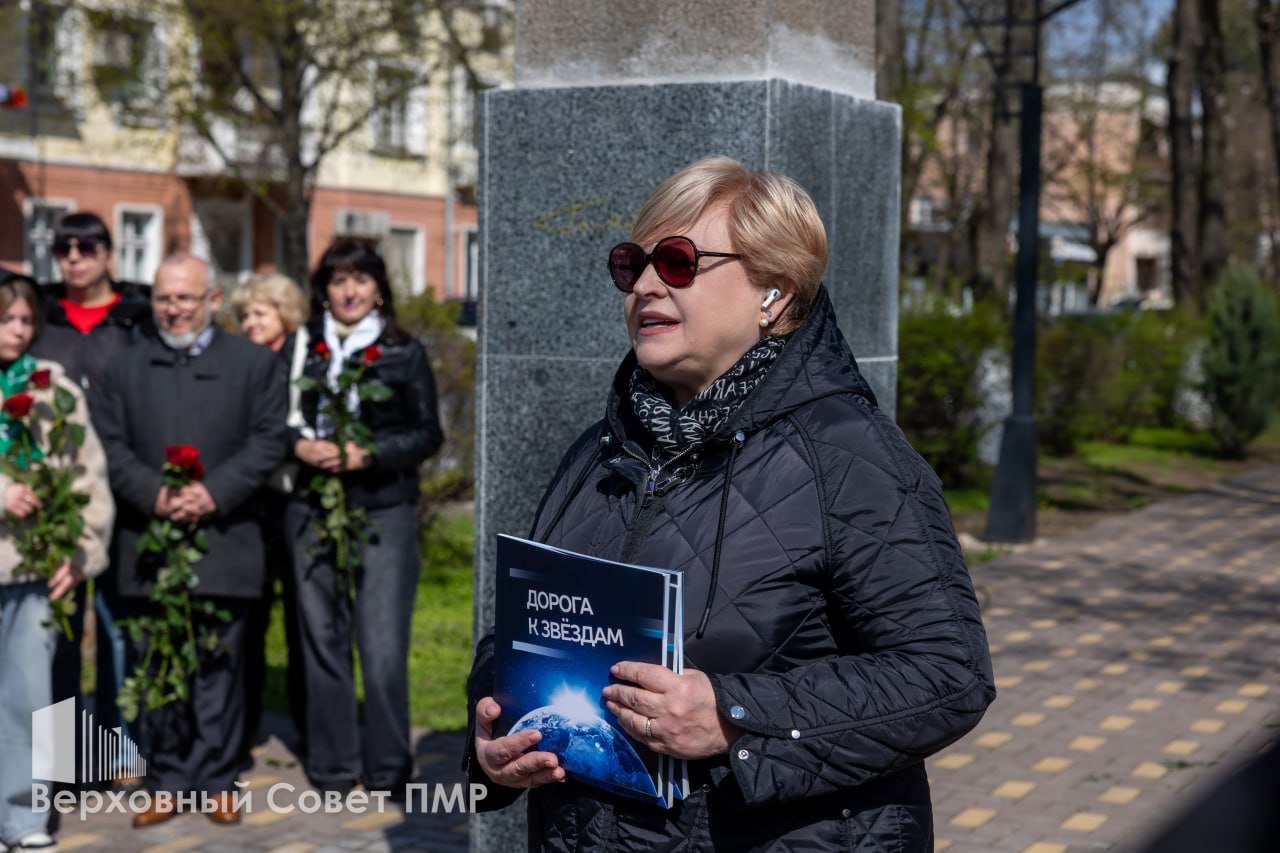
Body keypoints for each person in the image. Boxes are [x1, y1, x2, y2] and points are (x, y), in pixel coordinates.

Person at [465, 157, 995, 851]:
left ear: (774, 290)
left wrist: (737, 716)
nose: (647, 284)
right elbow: (525, 628)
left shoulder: (850, 456)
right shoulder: (598, 451)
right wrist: (490, 742)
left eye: (680, 261)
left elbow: (948, 672)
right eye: (634, 263)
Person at [94, 254, 287, 827]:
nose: (174, 309)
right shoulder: (123, 369)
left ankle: (218, 776)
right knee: (158, 661)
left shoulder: (253, 364)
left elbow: (268, 438)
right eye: (164, 298)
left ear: (213, 300)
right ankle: (169, 777)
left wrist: (213, 493)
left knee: (219, 662)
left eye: (185, 297)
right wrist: (153, 494)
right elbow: (109, 445)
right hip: (149, 538)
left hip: (225, 536)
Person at [283, 239, 443, 795]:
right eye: (337, 280)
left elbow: (429, 434)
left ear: (378, 287)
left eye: (360, 279)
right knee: (321, 638)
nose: (349, 291)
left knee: (380, 646)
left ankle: (387, 768)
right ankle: (331, 765)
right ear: (322, 290)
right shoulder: (304, 348)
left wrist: (368, 454)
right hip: (312, 507)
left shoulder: (404, 350)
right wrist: (300, 448)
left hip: (384, 510)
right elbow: (273, 418)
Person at [30, 212, 152, 773]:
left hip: (124, 494)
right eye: (63, 247)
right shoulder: (41, 318)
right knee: (55, 631)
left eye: (86, 246)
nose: (74, 257)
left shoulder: (137, 318)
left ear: (109, 253)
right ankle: (57, 757)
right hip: (57, 498)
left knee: (118, 631)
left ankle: (115, 753)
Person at [0, 274, 114, 853]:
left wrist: (81, 550)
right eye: (6, 319)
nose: (17, 331)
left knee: (28, 696)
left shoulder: (51, 387)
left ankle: (22, 817)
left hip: (31, 565)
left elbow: (86, 473)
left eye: (25, 321)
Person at [228, 273, 310, 767]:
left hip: (296, 503)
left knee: (304, 622)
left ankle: (307, 727)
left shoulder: (301, 358)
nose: (250, 322)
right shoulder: (239, 365)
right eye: (244, 315)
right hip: (252, 508)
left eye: (260, 312)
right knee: (250, 622)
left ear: (285, 313)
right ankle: (246, 721)